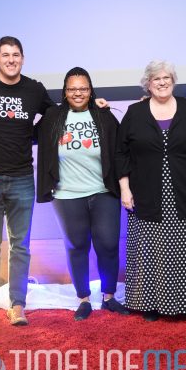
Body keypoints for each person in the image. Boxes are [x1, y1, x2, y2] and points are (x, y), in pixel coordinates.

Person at [116, 60, 186, 321]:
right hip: (146, 194)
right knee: (151, 251)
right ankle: (150, 304)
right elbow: (121, 154)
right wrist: (125, 189)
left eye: (167, 78)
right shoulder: (135, 113)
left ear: (173, 81)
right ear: (148, 84)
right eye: (156, 79)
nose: (162, 82)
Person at [0, 36, 56, 329]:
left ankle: (17, 305)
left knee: (21, 246)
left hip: (21, 178)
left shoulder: (34, 89)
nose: (10, 60)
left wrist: (95, 102)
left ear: (22, 58)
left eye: (15, 55)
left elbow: (57, 115)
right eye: (5, 55)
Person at [36, 67, 129, 321]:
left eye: (83, 88)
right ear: (65, 92)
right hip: (66, 195)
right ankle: (83, 299)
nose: (78, 93)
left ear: (91, 91)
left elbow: (122, 148)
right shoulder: (52, 117)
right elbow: (31, 136)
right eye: (72, 89)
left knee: (108, 245)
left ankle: (109, 297)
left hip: (103, 192)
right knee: (77, 246)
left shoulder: (104, 116)